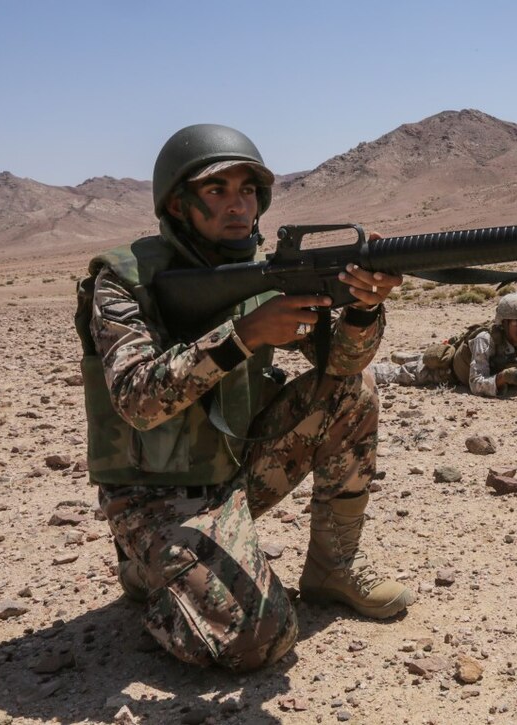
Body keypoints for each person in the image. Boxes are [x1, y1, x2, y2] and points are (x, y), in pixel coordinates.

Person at [75, 124, 413, 672]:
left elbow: (343, 368)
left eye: (249, 190)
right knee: (257, 640)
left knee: (351, 392)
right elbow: (137, 401)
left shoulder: (267, 271)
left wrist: (362, 308)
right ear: (178, 205)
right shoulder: (126, 279)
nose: (239, 206)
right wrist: (244, 336)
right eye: (217, 190)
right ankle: (149, 574)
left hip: (235, 470)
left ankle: (332, 567)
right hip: (152, 495)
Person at [372, 292, 517, 398]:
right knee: (400, 373)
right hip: (446, 372)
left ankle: (407, 355)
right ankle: (370, 368)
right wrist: (504, 377)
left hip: (469, 366)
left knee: (414, 358)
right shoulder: (484, 339)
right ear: (504, 323)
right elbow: (476, 384)